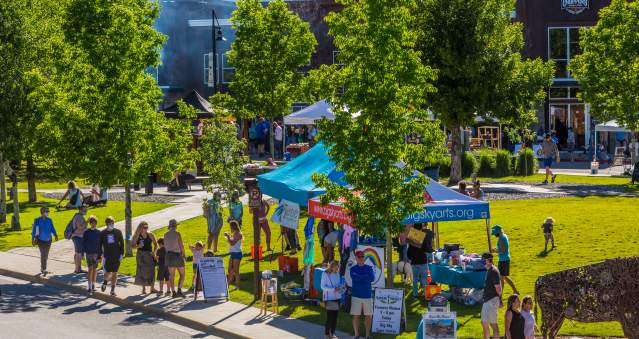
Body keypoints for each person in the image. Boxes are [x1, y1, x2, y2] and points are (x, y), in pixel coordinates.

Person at [350, 250, 374, 339]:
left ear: (364, 257)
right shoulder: (352, 269)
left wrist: (360, 277)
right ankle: (356, 335)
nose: (361, 258)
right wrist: (365, 277)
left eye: (362, 256)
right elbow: (354, 278)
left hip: (367, 295)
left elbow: (371, 278)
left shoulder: (369, 268)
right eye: (359, 257)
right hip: (356, 295)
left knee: (369, 316)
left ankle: (367, 335)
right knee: (356, 316)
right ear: (356, 258)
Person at [407, 223, 434, 298]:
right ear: (421, 227)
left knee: (415, 279)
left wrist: (410, 258)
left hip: (414, 261)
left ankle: (415, 295)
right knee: (424, 279)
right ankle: (426, 295)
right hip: (422, 260)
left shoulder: (412, 236)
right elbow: (426, 249)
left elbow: (409, 251)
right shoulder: (423, 236)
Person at [99, 216, 124, 296]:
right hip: (107, 256)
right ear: (106, 224)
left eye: (112, 223)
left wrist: (121, 254)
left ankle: (112, 290)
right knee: (108, 272)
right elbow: (99, 245)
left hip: (116, 255)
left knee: (115, 272)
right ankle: (105, 282)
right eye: (110, 223)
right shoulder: (102, 233)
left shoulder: (118, 232)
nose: (111, 224)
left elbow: (122, 244)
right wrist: (100, 255)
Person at [491, 225, 519, 295]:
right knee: (505, 277)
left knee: (501, 279)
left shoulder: (502, 238)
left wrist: (494, 251)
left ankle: (500, 295)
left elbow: (502, 250)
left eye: (495, 234)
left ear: (498, 232)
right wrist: (495, 249)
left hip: (503, 260)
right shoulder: (503, 236)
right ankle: (515, 290)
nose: (495, 235)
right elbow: (501, 248)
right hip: (504, 259)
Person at [133, 221, 158, 294]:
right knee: (141, 270)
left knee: (152, 270)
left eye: (147, 227)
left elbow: (156, 244)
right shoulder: (137, 236)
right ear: (140, 228)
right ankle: (143, 289)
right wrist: (138, 246)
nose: (146, 229)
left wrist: (154, 252)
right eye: (144, 227)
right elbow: (132, 245)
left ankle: (152, 288)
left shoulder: (150, 234)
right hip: (140, 254)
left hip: (149, 254)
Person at [481, 252, 502, 339]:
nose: (482, 262)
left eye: (483, 260)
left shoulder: (493, 271)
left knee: (493, 324)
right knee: (484, 323)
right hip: (488, 300)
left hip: (491, 301)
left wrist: (499, 299)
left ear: (488, 260)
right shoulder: (490, 270)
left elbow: (498, 288)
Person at [31, 207, 58, 276]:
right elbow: (34, 230)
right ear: (42, 212)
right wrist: (33, 239)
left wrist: (55, 235)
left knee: (46, 255)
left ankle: (43, 267)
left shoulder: (49, 220)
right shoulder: (37, 220)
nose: (48, 212)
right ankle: (44, 269)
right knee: (43, 254)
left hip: (49, 240)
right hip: (40, 240)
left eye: (48, 211)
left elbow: (52, 228)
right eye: (46, 211)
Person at [321, 260, 343, 339]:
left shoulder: (337, 274)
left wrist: (341, 288)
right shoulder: (325, 274)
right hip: (329, 298)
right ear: (332, 266)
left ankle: (332, 333)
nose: (338, 269)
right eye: (337, 267)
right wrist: (333, 289)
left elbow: (338, 284)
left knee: (335, 317)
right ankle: (327, 334)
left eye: (338, 267)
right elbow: (322, 286)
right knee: (330, 317)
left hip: (337, 298)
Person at [164, 219, 186, 298]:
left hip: (169, 255)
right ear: (176, 226)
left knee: (172, 275)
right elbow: (181, 246)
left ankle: (173, 292)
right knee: (182, 274)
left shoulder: (165, 234)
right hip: (177, 255)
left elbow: (165, 247)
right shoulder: (177, 234)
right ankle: (179, 289)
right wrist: (184, 255)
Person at [83, 216, 101, 294]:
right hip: (89, 253)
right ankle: (89, 286)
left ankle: (93, 284)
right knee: (90, 269)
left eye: (95, 223)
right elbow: (83, 244)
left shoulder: (99, 232)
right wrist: (83, 254)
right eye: (92, 223)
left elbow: (100, 245)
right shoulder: (86, 232)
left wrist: (101, 255)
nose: (93, 224)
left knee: (95, 269)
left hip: (96, 254)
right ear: (90, 223)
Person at [225, 220, 243, 290]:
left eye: (231, 226)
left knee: (236, 271)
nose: (230, 228)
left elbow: (232, 243)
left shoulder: (239, 234)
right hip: (233, 253)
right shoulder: (234, 233)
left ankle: (237, 286)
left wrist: (228, 236)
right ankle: (228, 285)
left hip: (237, 253)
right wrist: (229, 236)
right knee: (230, 270)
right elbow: (231, 242)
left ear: (233, 226)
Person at [71, 206, 88, 273]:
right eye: (84, 210)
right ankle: (78, 269)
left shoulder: (78, 216)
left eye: (86, 210)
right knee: (79, 254)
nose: (86, 211)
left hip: (77, 236)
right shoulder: (79, 217)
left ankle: (77, 268)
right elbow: (80, 227)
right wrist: (87, 222)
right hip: (78, 236)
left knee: (77, 253)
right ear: (80, 210)